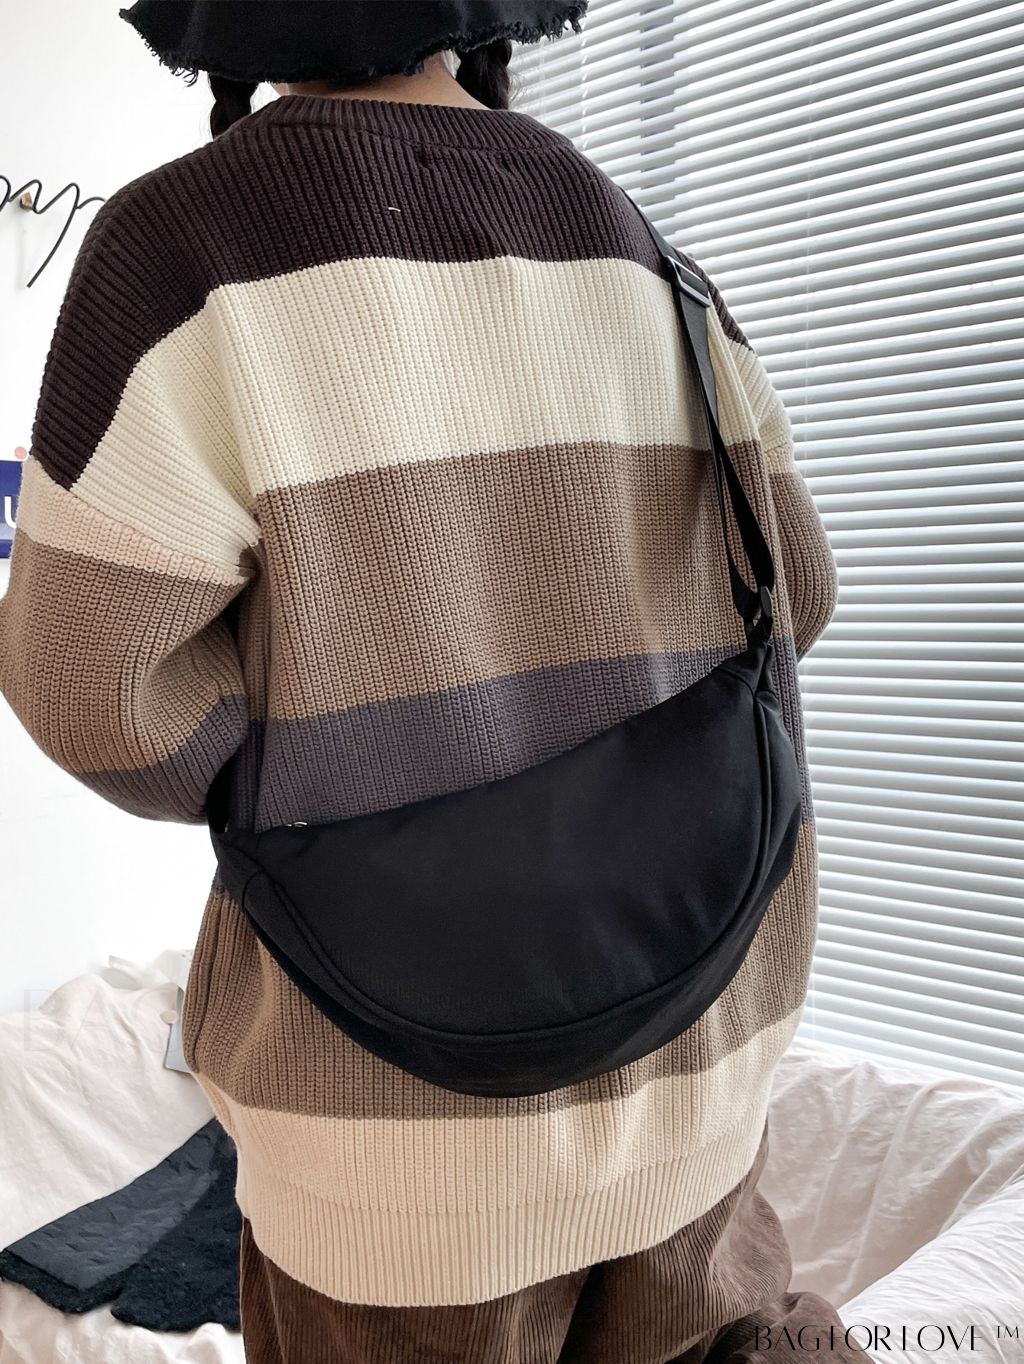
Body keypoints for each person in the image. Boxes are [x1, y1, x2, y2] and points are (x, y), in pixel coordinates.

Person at [0, 3, 867, 1360]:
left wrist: (333, 758)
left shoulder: (181, 246)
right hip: (698, 1040)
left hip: (398, 1129)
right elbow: (793, 589)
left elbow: (86, 686)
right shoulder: (631, 233)